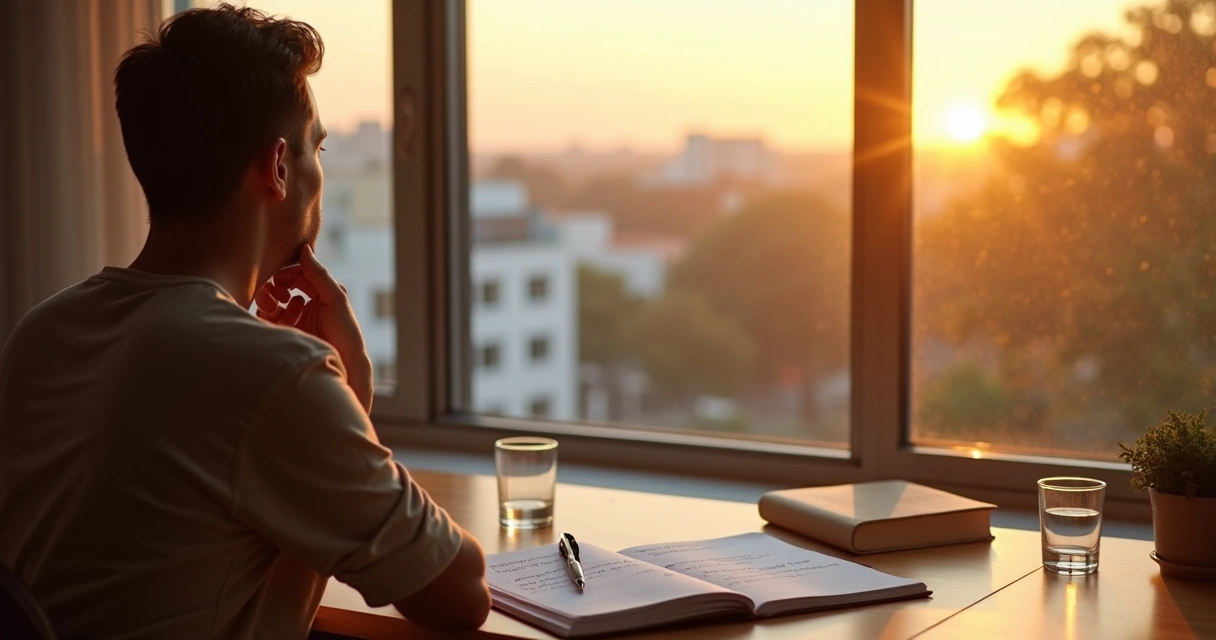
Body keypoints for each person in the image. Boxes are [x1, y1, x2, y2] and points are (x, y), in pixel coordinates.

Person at [0, 4, 491, 638]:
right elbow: (460, 593)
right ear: (279, 167)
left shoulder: (41, 332)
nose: (320, 173)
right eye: (317, 148)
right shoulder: (271, 375)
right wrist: (347, 401)